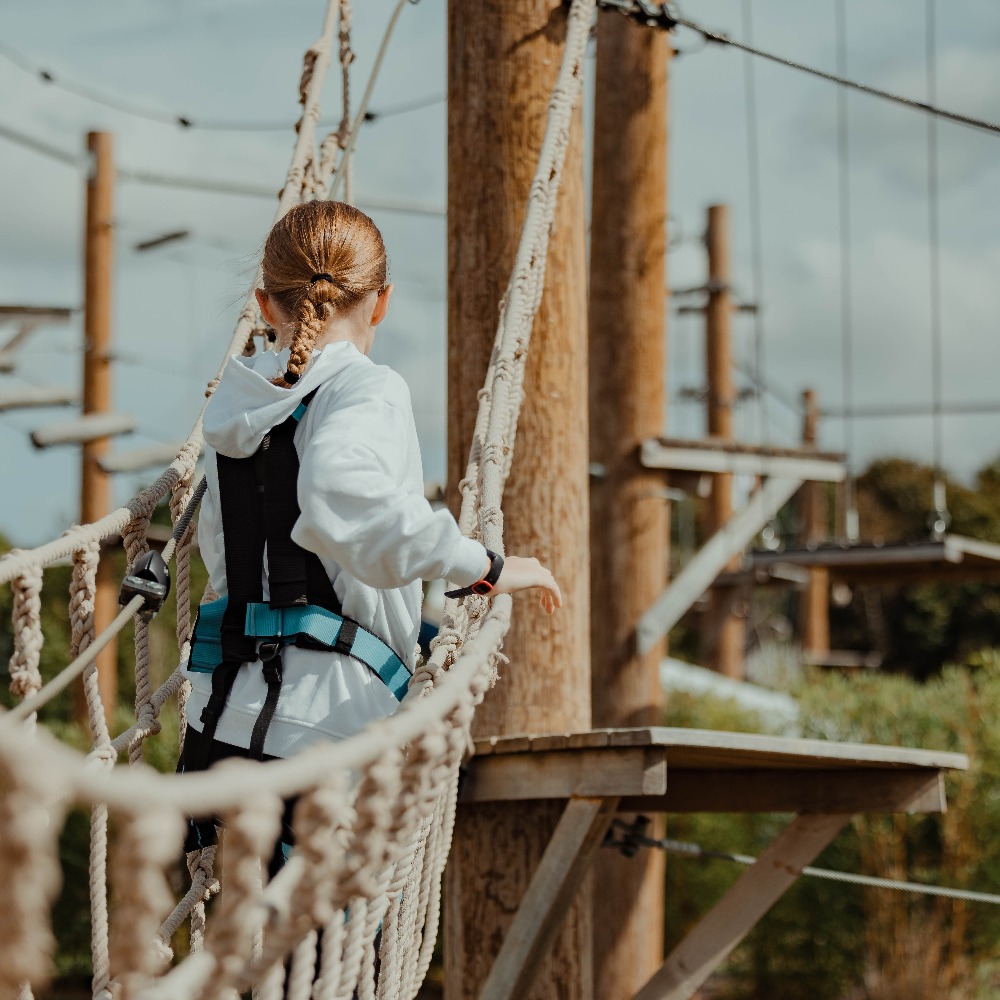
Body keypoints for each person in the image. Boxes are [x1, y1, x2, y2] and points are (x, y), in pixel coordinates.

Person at [178, 200, 561, 866]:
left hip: (217, 728)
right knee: (337, 961)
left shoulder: (233, 405)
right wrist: (482, 564)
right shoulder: (366, 390)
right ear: (381, 303)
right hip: (327, 734)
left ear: (265, 305)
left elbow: (225, 554)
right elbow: (341, 492)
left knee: (244, 957)